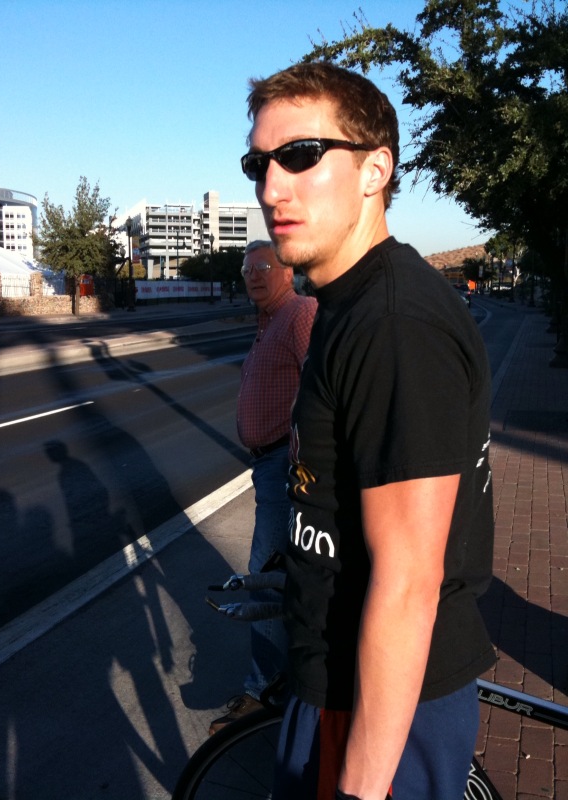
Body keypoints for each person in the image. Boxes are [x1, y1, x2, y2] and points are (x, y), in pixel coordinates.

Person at [241, 62, 495, 800]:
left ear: (375, 170)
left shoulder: (392, 324)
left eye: (300, 155)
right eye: (258, 164)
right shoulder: (348, 305)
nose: (272, 187)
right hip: (340, 679)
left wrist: (360, 790)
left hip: (376, 703)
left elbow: (409, 583)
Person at [209, 239, 317, 735]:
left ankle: (262, 692)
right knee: (275, 575)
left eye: (263, 267)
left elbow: (320, 390)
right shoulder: (268, 320)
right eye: (247, 269)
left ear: (287, 271)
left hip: (282, 467)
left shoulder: (299, 314)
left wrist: (298, 459)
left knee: (266, 576)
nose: (253, 275)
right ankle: (280, 683)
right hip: (268, 466)